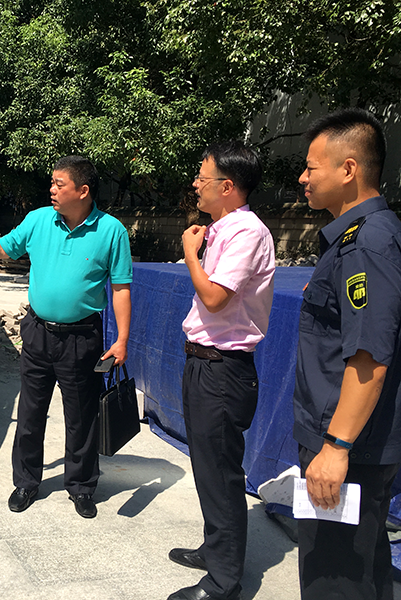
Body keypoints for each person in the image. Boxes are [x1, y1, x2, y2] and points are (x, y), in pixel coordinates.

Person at [0, 155, 132, 518]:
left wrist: (122, 340)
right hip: (38, 333)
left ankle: (81, 486)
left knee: (81, 416)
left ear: (83, 191)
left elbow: (120, 288)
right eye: (52, 183)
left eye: (59, 184)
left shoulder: (111, 231)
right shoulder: (38, 220)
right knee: (30, 412)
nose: (51, 190)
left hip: (81, 337)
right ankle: (26, 482)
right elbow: (2, 248)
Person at [292, 108, 401, 600]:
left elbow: (369, 358)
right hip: (349, 439)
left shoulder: (365, 245)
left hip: (348, 446)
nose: (303, 177)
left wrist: (335, 448)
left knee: (333, 580)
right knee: (364, 571)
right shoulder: (360, 237)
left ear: (349, 169)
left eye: (311, 167)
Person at [168, 141, 275, 600]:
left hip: (223, 370)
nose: (196, 184)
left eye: (202, 177)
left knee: (221, 473)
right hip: (203, 363)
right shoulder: (221, 229)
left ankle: (223, 582)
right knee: (207, 468)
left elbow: (214, 298)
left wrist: (190, 253)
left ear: (227, 186)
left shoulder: (247, 232)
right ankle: (215, 551)